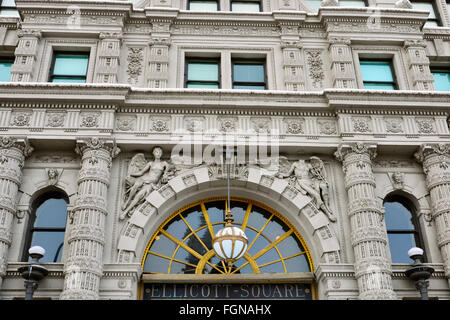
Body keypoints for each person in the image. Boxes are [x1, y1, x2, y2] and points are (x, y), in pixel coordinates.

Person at [278, 158, 336, 222]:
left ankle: (326, 205)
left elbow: (315, 174)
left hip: (309, 181)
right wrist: (281, 175)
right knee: (316, 195)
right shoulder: (295, 164)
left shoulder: (308, 165)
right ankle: (328, 214)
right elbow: (288, 174)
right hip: (301, 182)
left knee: (321, 189)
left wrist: (319, 170)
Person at [121, 147, 171, 220]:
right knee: (136, 185)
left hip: (151, 183)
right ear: (154, 154)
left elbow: (165, 173)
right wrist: (131, 174)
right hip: (144, 178)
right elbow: (141, 172)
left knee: (139, 195)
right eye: (157, 152)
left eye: (160, 152)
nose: (158, 154)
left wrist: (165, 176)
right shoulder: (151, 163)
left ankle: (125, 212)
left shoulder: (164, 164)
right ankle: (127, 201)